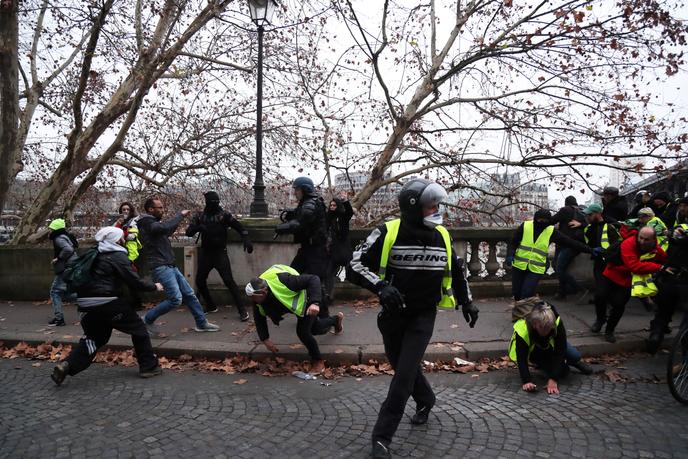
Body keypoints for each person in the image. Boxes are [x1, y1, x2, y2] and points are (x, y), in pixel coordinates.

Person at [347, 178, 478, 459]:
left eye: (437, 205)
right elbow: (353, 264)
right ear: (413, 208)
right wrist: (381, 287)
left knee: (404, 375)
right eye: (431, 206)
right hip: (393, 316)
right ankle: (426, 399)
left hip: (423, 315)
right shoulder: (388, 231)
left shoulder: (442, 235)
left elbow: (458, 271)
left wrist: (467, 302)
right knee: (400, 365)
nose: (437, 210)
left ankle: (381, 438)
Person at [50, 226, 165, 386]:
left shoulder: (94, 253)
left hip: (85, 304)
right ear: (117, 240)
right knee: (139, 329)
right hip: (108, 302)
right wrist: (154, 286)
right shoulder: (117, 255)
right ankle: (149, 366)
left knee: (94, 339)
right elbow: (134, 281)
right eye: (121, 238)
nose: (124, 240)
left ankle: (67, 365)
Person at [138, 198, 220, 334]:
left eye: (162, 207)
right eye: (159, 207)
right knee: (175, 299)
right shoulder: (147, 222)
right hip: (161, 266)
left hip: (169, 265)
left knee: (189, 294)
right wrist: (180, 215)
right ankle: (146, 319)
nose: (162, 210)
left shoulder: (152, 224)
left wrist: (179, 219)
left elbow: (167, 231)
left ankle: (201, 323)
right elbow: (164, 228)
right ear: (150, 209)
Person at [245, 264, 344, 375]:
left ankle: (318, 361)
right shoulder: (257, 298)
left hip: (306, 298)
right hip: (293, 305)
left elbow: (313, 279)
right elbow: (259, 317)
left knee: (305, 332)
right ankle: (335, 320)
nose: (251, 300)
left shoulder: (284, 281)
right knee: (315, 328)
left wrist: (314, 303)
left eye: (253, 297)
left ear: (263, 292)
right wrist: (265, 339)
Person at [275, 177, 333, 331]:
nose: (295, 192)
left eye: (297, 189)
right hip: (308, 249)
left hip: (316, 251)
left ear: (305, 189)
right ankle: (297, 309)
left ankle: (326, 318)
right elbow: (301, 214)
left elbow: (300, 223)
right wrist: (291, 213)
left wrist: (282, 228)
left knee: (316, 283)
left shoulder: (311, 203)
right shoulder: (309, 202)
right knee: (293, 275)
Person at [186, 191, 253, 320]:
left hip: (220, 253)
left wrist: (246, 239)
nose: (214, 204)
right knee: (200, 281)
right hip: (206, 253)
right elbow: (189, 232)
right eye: (212, 202)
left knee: (229, 281)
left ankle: (242, 309)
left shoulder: (224, 215)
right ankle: (210, 305)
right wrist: (198, 228)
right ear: (206, 203)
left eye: (216, 202)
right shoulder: (200, 216)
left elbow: (239, 227)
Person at [593, 226, 666, 342]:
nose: (642, 241)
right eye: (641, 238)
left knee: (619, 304)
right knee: (600, 296)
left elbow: (665, 260)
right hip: (611, 273)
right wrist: (659, 267)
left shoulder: (656, 249)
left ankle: (609, 331)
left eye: (646, 239)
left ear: (653, 239)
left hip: (627, 280)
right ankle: (600, 319)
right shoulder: (629, 243)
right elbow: (633, 266)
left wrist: (668, 267)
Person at [506, 209, 595, 301]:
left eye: (545, 221)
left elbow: (570, 242)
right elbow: (513, 241)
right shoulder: (526, 226)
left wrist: (590, 250)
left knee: (527, 293)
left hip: (536, 268)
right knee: (516, 293)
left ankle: (526, 312)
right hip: (519, 265)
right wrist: (510, 254)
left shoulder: (551, 231)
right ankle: (520, 312)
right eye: (540, 220)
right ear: (535, 218)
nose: (542, 222)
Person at [509, 302, 592, 394]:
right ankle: (543, 365)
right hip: (534, 351)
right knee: (564, 372)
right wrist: (527, 381)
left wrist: (553, 379)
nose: (545, 331)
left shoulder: (556, 321)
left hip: (551, 346)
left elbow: (560, 349)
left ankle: (575, 363)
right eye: (541, 327)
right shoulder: (522, 329)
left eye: (548, 327)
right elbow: (521, 357)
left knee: (574, 356)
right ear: (534, 324)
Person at [648, 211, 688, 353]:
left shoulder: (679, 231)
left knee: (664, 311)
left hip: (671, 276)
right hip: (682, 280)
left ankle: (656, 335)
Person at [582, 203, 620, 308]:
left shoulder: (610, 227)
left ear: (598, 214)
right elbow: (587, 244)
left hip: (610, 262)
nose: (587, 217)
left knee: (608, 286)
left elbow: (618, 244)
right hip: (598, 262)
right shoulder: (588, 229)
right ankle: (603, 302)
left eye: (589, 215)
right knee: (601, 286)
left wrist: (607, 252)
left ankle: (607, 304)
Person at [550, 196, 587, 300]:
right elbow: (588, 225)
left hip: (565, 244)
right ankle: (562, 292)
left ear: (566, 203)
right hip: (577, 244)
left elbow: (552, 220)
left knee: (559, 269)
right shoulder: (582, 211)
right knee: (563, 268)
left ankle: (579, 289)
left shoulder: (565, 210)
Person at [47, 218, 78, 326]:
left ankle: (59, 319)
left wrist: (58, 258)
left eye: (50, 228)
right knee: (66, 293)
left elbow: (68, 249)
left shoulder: (58, 238)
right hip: (70, 266)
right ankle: (84, 299)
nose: (49, 231)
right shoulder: (65, 236)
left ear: (55, 229)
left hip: (65, 267)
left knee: (54, 292)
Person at [114, 201, 143, 310]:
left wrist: (122, 233)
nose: (125, 211)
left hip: (131, 253)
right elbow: (112, 234)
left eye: (127, 209)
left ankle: (136, 303)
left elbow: (132, 236)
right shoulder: (119, 221)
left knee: (132, 278)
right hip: (121, 252)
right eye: (123, 210)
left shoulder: (134, 221)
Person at [324, 196, 354, 301]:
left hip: (344, 249)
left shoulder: (343, 217)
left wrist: (345, 200)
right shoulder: (328, 217)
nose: (332, 207)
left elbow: (349, 212)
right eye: (331, 205)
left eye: (334, 205)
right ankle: (328, 296)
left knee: (351, 271)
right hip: (334, 251)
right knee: (329, 273)